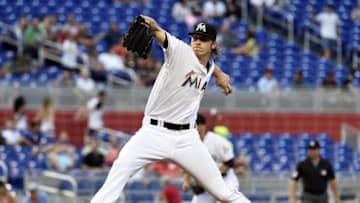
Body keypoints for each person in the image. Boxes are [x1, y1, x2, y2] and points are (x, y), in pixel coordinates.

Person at [91, 15, 250, 203]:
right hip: (153, 133)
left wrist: (219, 74)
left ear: (213, 45)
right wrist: (152, 25)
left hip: (187, 139)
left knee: (223, 193)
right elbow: (161, 35)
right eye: (195, 38)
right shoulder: (180, 51)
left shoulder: (209, 67)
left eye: (203, 40)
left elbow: (208, 65)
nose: (197, 42)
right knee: (120, 169)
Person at [182, 114, 239, 203]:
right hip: (208, 184)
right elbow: (188, 166)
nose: (194, 129)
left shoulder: (217, 141)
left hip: (226, 180)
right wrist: (187, 182)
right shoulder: (190, 144)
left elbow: (230, 162)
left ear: (203, 126)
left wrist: (212, 179)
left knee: (225, 199)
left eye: (196, 125)